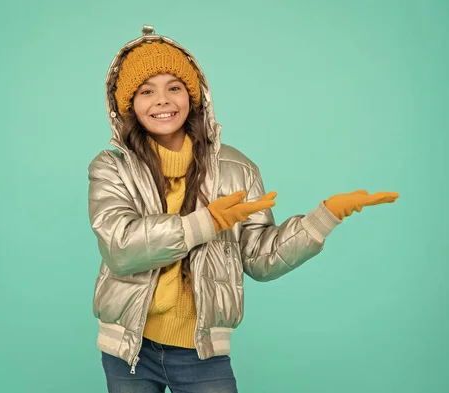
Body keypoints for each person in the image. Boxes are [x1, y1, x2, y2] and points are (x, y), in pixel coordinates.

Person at [87, 25, 399, 393]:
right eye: (146, 91)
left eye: (174, 87)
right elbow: (120, 248)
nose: (162, 100)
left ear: (194, 95)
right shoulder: (111, 167)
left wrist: (324, 217)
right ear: (127, 104)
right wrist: (206, 222)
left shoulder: (237, 169)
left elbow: (259, 258)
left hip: (202, 352)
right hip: (130, 350)